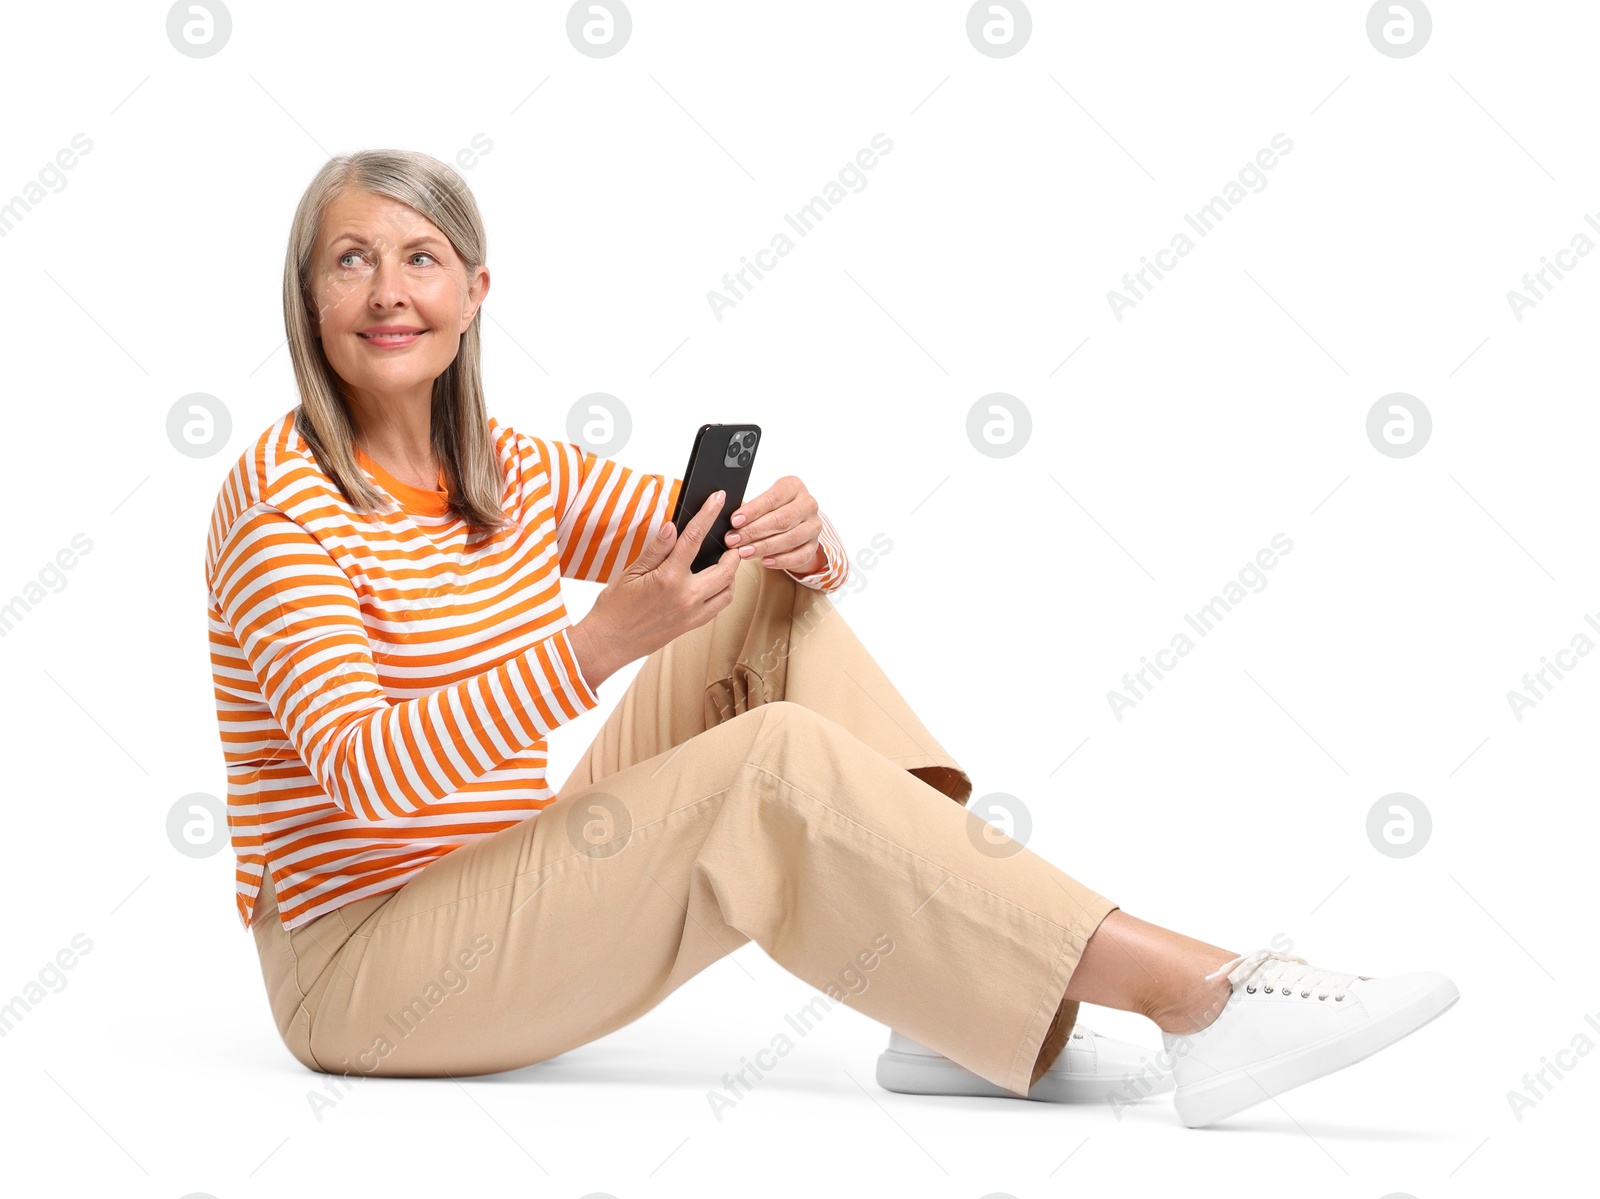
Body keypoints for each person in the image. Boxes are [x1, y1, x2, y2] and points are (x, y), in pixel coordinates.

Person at [204, 149, 1458, 1129]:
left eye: (419, 258)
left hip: (508, 875)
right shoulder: (281, 502)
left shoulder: (499, 467)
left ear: (474, 294)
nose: (386, 292)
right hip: (365, 968)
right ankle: (1201, 995)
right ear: (307, 300)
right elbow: (361, 771)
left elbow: (701, 534)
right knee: (767, 766)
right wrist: (598, 644)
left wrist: (791, 532)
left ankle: (951, 1001)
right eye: (350, 261)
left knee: (752, 597)